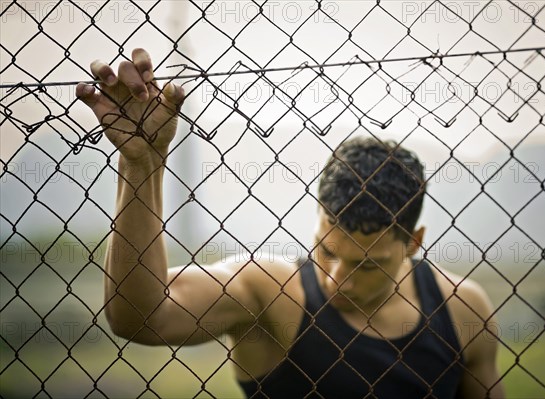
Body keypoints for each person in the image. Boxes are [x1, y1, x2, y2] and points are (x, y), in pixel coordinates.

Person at [76, 48, 505, 399]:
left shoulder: (462, 308)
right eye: (327, 251)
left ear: (413, 242)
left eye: (366, 265)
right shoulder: (269, 291)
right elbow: (141, 318)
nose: (337, 280)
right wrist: (142, 165)